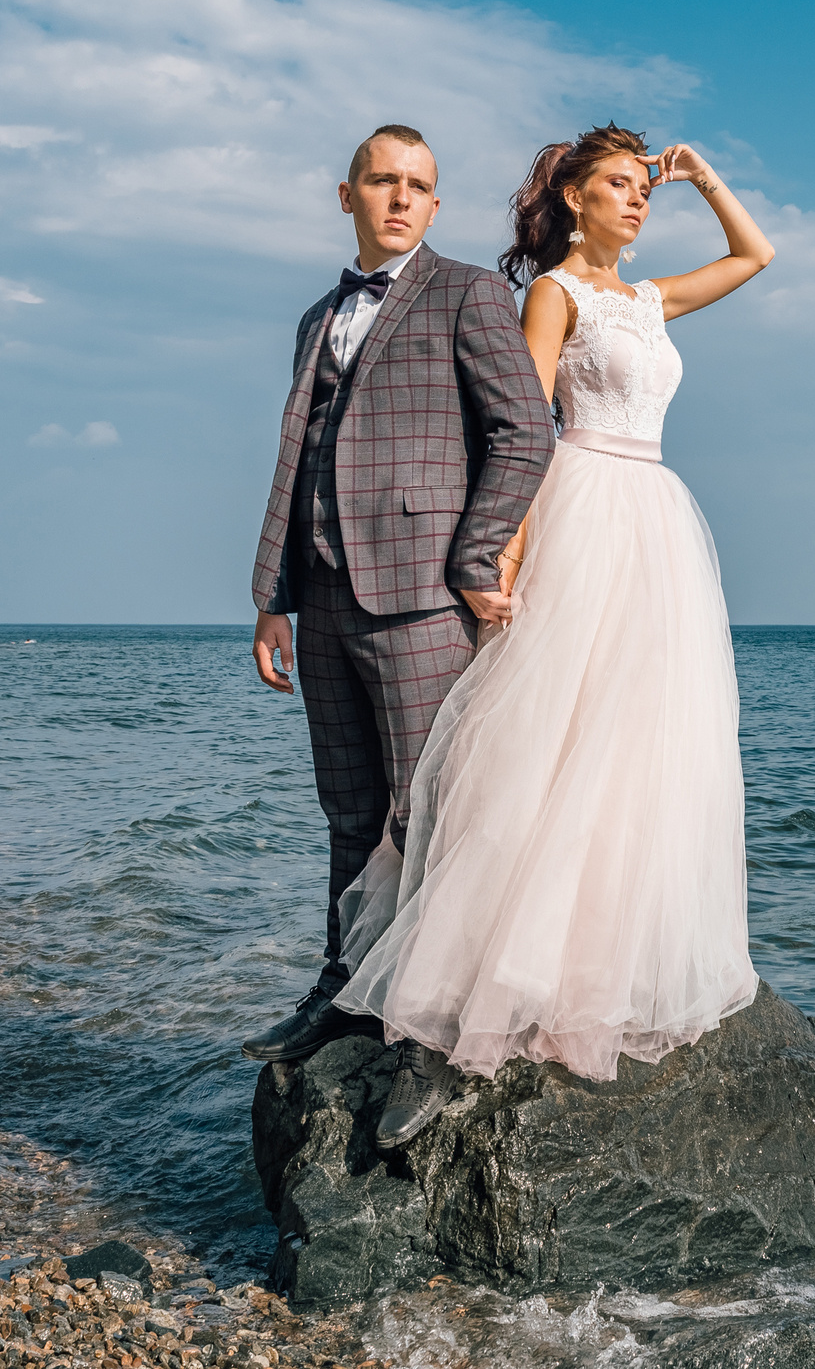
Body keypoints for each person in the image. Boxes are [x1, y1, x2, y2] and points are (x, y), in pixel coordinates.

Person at [331, 123, 777, 1145]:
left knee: (639, 744)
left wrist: (703, 175)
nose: (635, 201)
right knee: (546, 736)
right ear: (574, 199)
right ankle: (483, 973)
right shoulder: (555, 293)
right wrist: (503, 554)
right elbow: (521, 426)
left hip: (658, 522)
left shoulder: (652, 297)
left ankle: (598, 957)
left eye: (642, 190)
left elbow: (755, 256)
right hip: (580, 505)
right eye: (617, 186)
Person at [239, 124, 556, 1065]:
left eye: (418, 184)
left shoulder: (469, 292)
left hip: (422, 598)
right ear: (349, 196)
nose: (401, 197)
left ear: (435, 203)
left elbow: (525, 435)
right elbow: (298, 460)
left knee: (429, 814)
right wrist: (274, 596)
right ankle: (344, 990)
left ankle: (430, 1017)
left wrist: (475, 558)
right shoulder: (314, 318)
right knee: (347, 811)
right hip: (327, 598)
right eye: (383, 181)